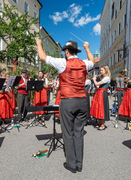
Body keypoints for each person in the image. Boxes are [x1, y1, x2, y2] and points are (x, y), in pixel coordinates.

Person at [35, 38, 94, 173]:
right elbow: (93, 61)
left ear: (67, 51)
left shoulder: (62, 63)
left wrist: (39, 44)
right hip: (82, 101)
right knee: (78, 133)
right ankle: (79, 164)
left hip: (68, 101)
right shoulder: (84, 63)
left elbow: (42, 57)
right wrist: (88, 48)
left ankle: (72, 165)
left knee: (68, 133)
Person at [90, 66, 111, 130]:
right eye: (100, 70)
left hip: (103, 94)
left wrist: (94, 79)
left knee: (102, 108)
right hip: (99, 93)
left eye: (102, 70)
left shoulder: (107, 78)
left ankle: (103, 125)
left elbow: (97, 84)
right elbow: (98, 86)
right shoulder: (103, 78)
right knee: (99, 107)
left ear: (106, 71)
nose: (100, 72)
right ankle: (99, 123)